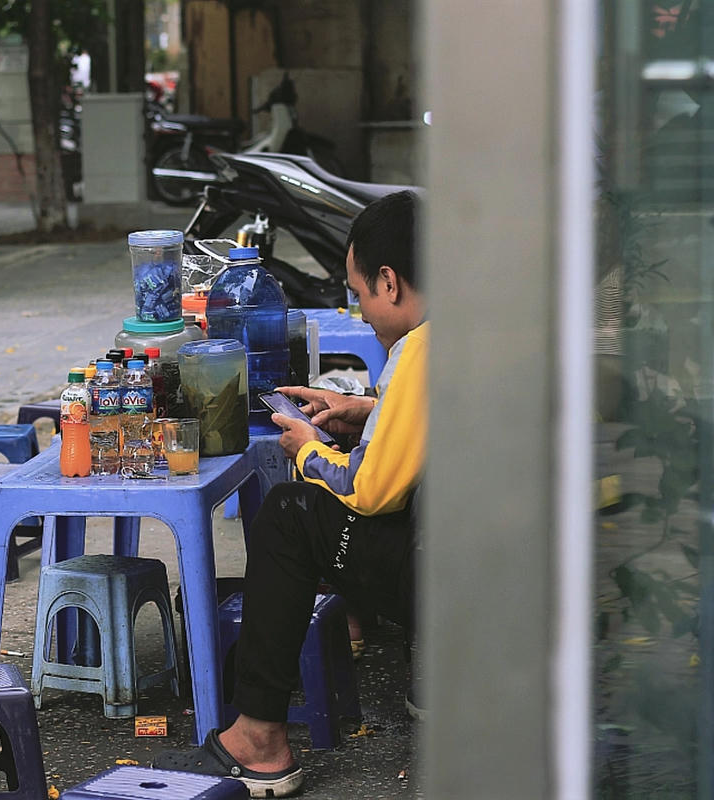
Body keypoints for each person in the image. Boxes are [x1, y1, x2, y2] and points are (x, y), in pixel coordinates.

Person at [154, 190, 427, 798]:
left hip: (441, 575)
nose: (362, 314)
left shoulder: (420, 350)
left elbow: (368, 490)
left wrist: (306, 447)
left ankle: (258, 740)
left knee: (289, 514)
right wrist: (365, 411)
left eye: (359, 295)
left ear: (389, 282)